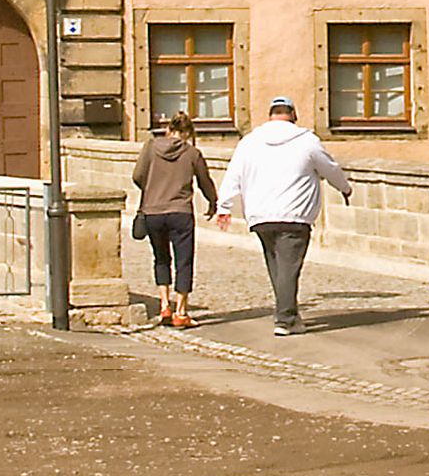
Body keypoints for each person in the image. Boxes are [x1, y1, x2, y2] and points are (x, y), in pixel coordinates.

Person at [215, 94, 353, 336]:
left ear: (270, 115)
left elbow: (233, 175)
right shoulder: (307, 142)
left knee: (277, 266)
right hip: (294, 214)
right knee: (289, 268)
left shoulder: (249, 142)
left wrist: (224, 206)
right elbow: (330, 168)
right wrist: (345, 187)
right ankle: (285, 319)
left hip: (260, 215)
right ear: (293, 116)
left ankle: (289, 312)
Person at [130, 109, 219, 327]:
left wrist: (154, 188)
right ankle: (181, 311)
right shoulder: (192, 153)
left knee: (161, 259)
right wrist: (212, 201)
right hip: (180, 212)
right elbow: (204, 181)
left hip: (153, 212)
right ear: (188, 133)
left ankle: (164, 306)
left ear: (168, 129)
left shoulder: (150, 147)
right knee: (183, 261)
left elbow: (137, 176)